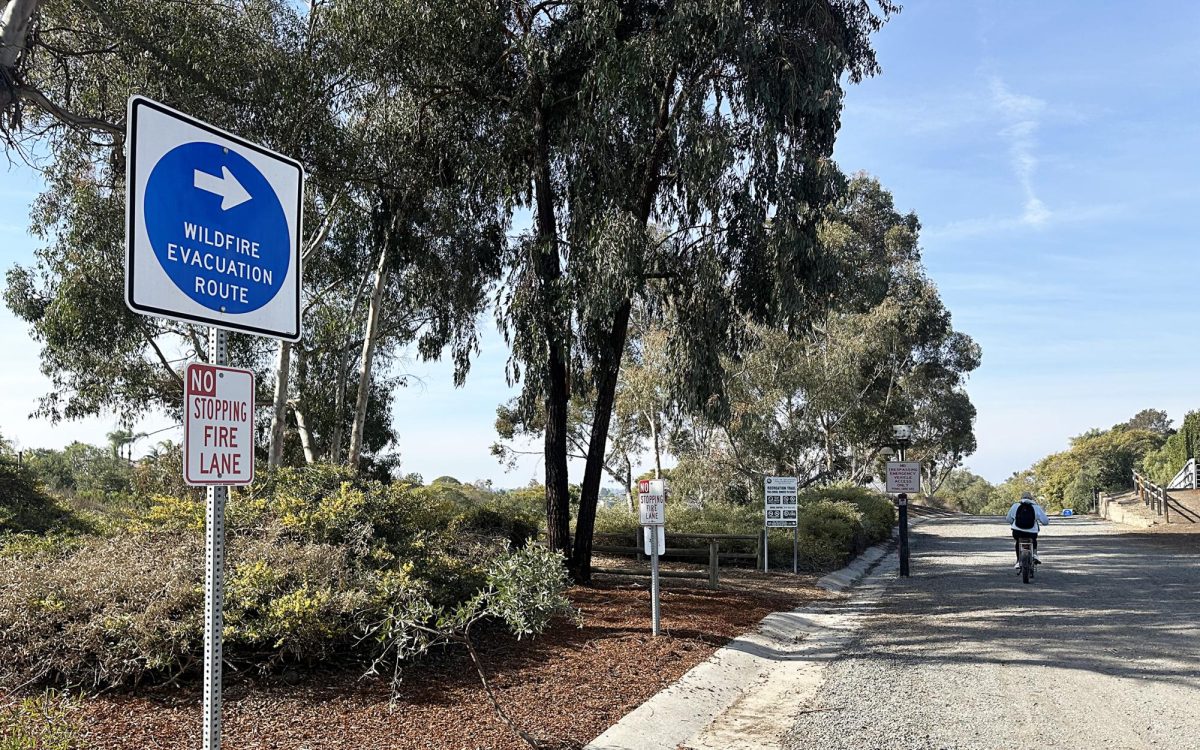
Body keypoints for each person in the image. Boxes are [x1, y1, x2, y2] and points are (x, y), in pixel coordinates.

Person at [1006, 491, 1049, 569]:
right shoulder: (1036, 507)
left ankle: (1018, 561)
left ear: (1021, 498)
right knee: (1033, 540)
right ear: (1031, 498)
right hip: (1031, 532)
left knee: (1018, 542)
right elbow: (1045, 522)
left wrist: (1014, 523)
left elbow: (1008, 519)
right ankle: (1035, 554)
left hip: (1017, 532)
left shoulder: (1015, 506)